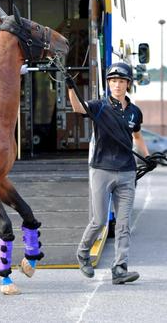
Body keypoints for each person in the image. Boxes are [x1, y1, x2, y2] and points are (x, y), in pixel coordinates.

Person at [66, 62, 156, 284]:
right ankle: (83, 252)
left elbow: (137, 137)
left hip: (127, 173)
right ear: (109, 84)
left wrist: (148, 157)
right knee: (98, 221)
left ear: (128, 84)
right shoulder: (99, 107)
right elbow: (78, 108)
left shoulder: (135, 112)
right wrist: (70, 87)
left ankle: (120, 268)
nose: (117, 85)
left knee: (123, 224)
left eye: (121, 81)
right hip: (101, 170)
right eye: (113, 81)